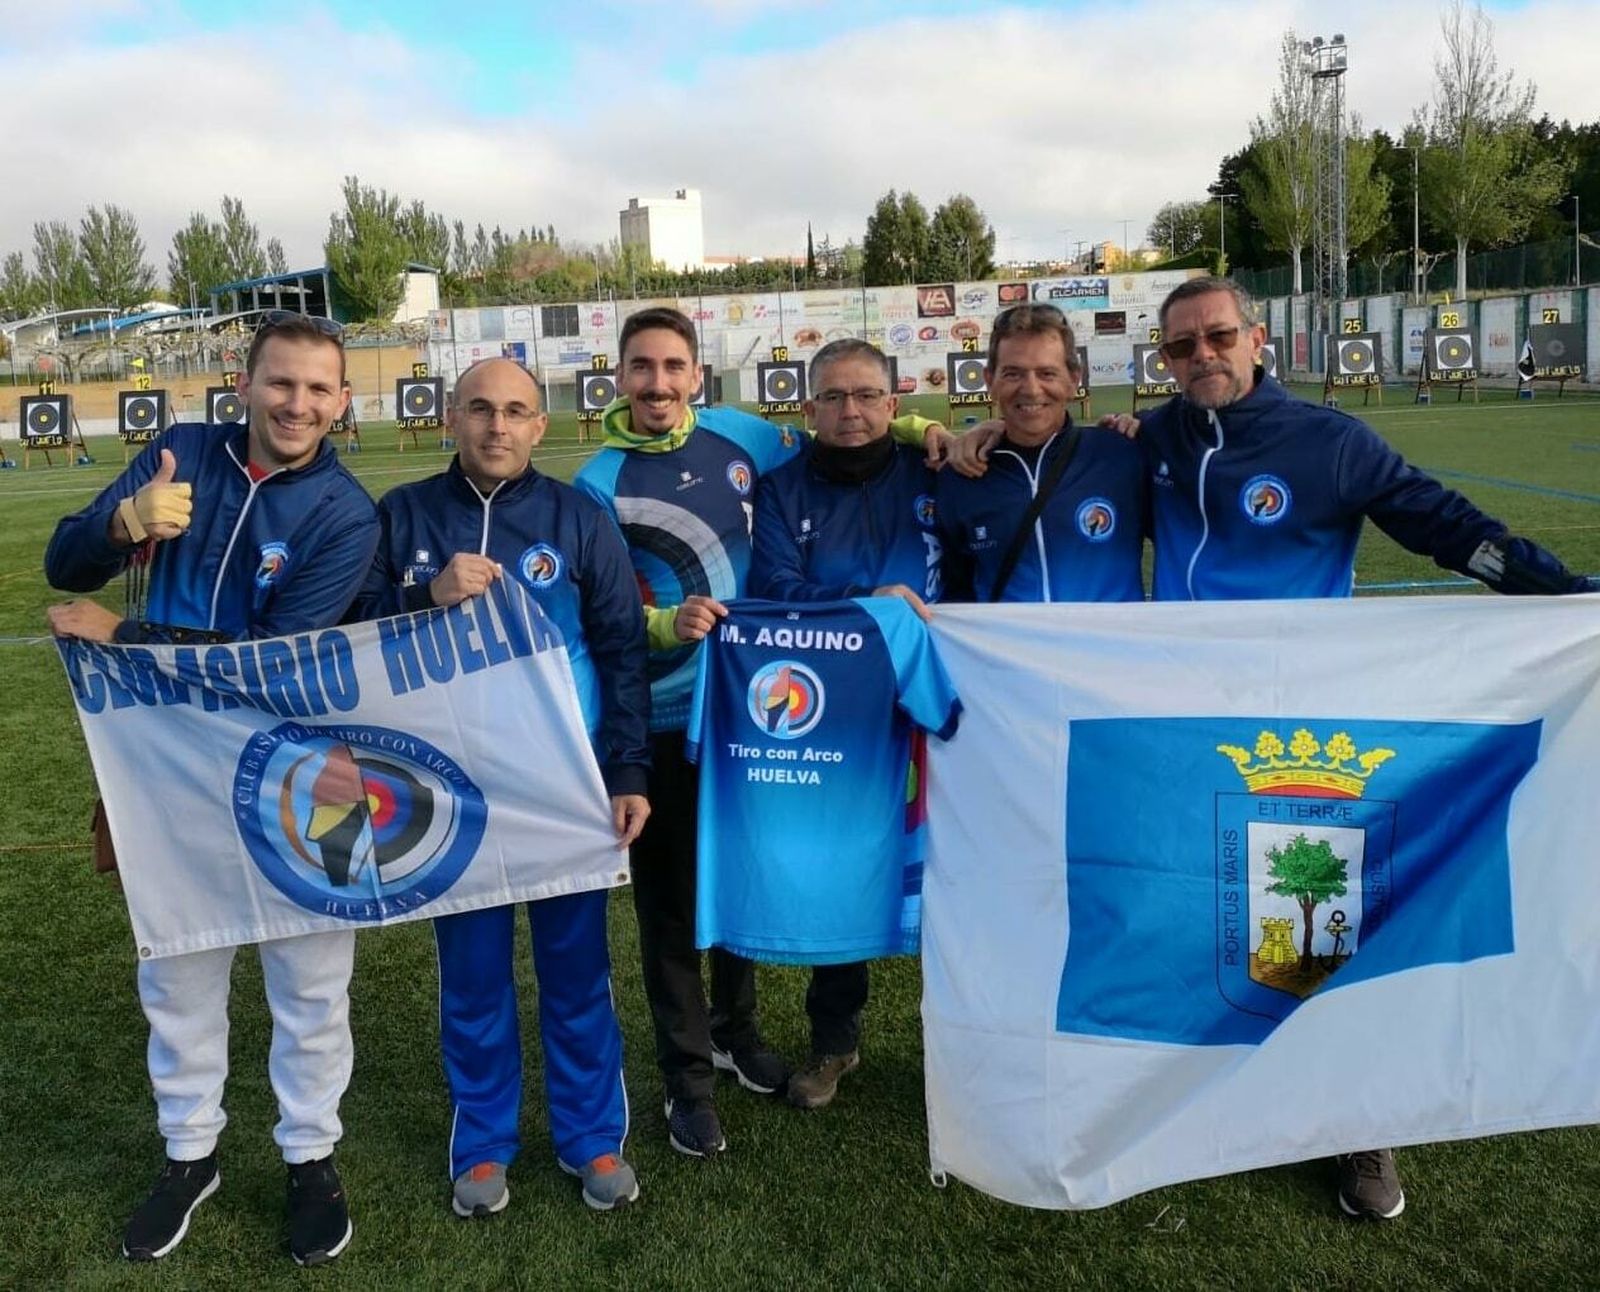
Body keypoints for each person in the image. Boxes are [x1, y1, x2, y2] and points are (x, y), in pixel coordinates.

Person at [1138, 274, 1597, 1220]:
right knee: (1205, 904)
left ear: (1256, 338)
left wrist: (1563, 593)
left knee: (1315, 914)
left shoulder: (1328, 441)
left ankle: (1359, 1123)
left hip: (1303, 729)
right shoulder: (1150, 438)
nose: (1201, 357)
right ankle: (1210, 1089)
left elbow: (1442, 523)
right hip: (1188, 722)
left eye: (1217, 336)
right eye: (1180, 347)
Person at [44, 311, 379, 1266]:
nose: (299, 404)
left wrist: (127, 638)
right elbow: (64, 564)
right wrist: (121, 523)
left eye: (319, 389)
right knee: (179, 967)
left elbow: (268, 669)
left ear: (343, 402)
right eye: (282, 382)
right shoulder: (179, 453)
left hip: (301, 767)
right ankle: (189, 1153)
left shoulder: (348, 514)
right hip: (159, 765)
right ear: (244, 381)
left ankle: (311, 1156)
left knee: (311, 979)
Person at [573, 307, 943, 1156]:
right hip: (665, 716)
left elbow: (846, 433)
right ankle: (687, 1080)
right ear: (620, 376)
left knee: (732, 884)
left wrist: (928, 429)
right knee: (670, 908)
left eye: (674, 367)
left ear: (698, 376)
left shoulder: (746, 438)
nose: (658, 384)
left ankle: (738, 1037)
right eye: (641, 368)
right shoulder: (598, 479)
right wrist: (668, 625)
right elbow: (605, 605)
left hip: (753, 716)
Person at [348, 357, 650, 1218]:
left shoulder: (576, 516)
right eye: (480, 409)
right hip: (448, 797)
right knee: (473, 975)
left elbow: (623, 649)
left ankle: (592, 1137)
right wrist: (423, 590)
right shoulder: (403, 513)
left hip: (565, 791)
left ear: (540, 425)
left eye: (516, 411)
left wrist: (625, 771)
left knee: (577, 970)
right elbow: (347, 637)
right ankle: (482, 1145)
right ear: (449, 417)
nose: (497, 426)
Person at [746, 338, 940, 1109]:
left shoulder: (938, 471)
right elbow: (773, 585)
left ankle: (959, 1038)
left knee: (955, 871)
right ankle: (835, 1043)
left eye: (866, 396)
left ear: (895, 406)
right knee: (844, 867)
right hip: (834, 711)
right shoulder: (781, 487)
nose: (850, 411)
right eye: (833, 397)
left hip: (943, 703)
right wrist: (873, 603)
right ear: (807, 409)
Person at [936, 304, 1145, 603]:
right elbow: (955, 591)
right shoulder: (960, 476)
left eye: (1047, 373)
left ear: (1074, 379)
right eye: (1012, 374)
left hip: (1108, 650)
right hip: (1004, 650)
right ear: (989, 380)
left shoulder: (1124, 456)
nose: (1031, 390)